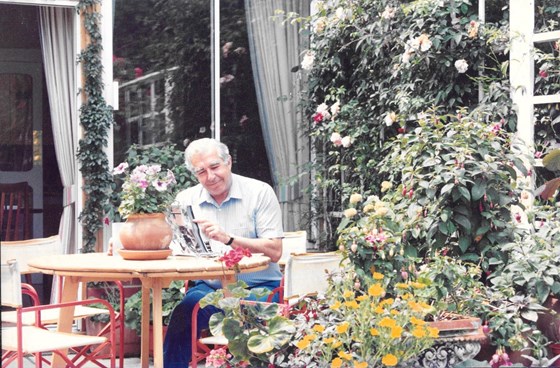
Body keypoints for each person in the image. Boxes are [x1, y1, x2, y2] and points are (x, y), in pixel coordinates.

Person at [163, 138, 284, 368]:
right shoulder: (186, 200)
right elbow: (172, 244)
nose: (210, 176)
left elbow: (275, 250)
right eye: (201, 171)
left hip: (260, 289)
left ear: (228, 162)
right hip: (210, 289)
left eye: (215, 167)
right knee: (183, 314)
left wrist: (229, 239)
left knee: (249, 331)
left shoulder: (259, 192)